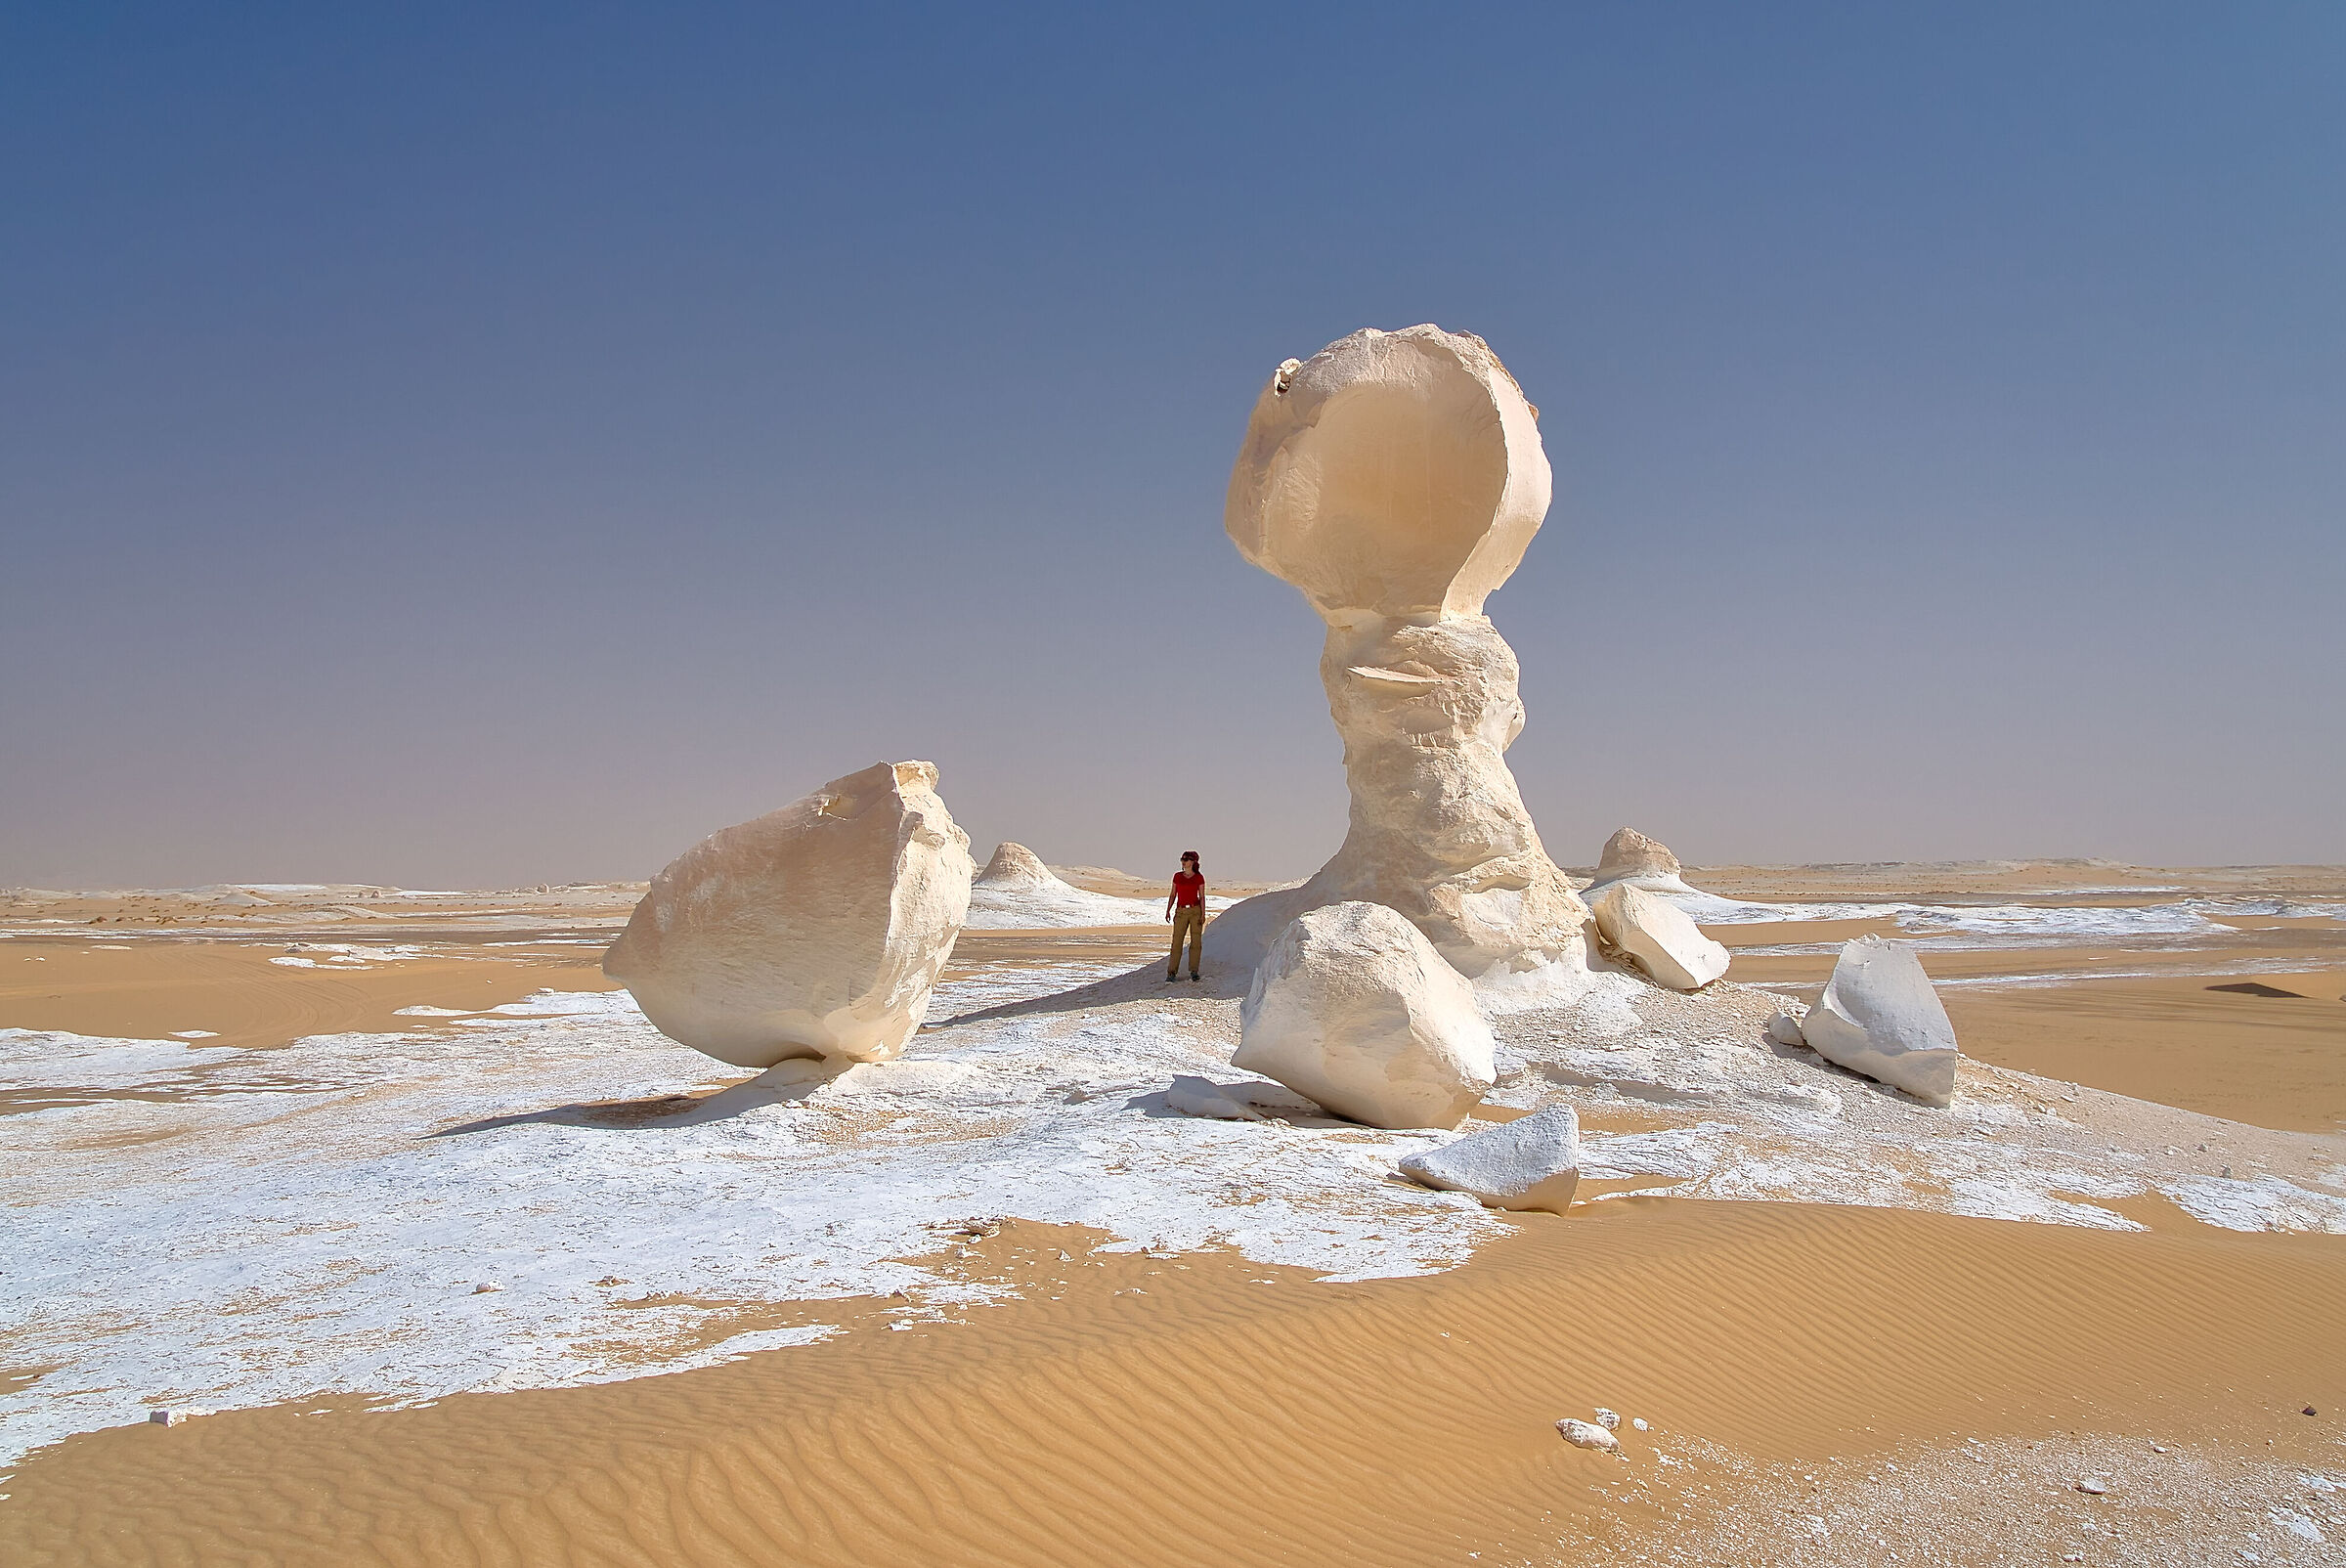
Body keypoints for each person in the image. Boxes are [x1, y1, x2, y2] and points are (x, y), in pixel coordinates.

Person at [1163, 849, 1206, 981]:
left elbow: (1202, 896)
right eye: (1182, 859)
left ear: (1193, 862)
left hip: (1195, 911)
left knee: (1196, 942)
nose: (1183, 862)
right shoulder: (1177, 876)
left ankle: (1194, 971)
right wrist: (1168, 909)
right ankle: (1171, 972)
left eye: (1186, 859)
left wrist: (1203, 914)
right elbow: (1173, 894)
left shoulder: (1199, 877)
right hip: (1181, 912)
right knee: (1177, 942)